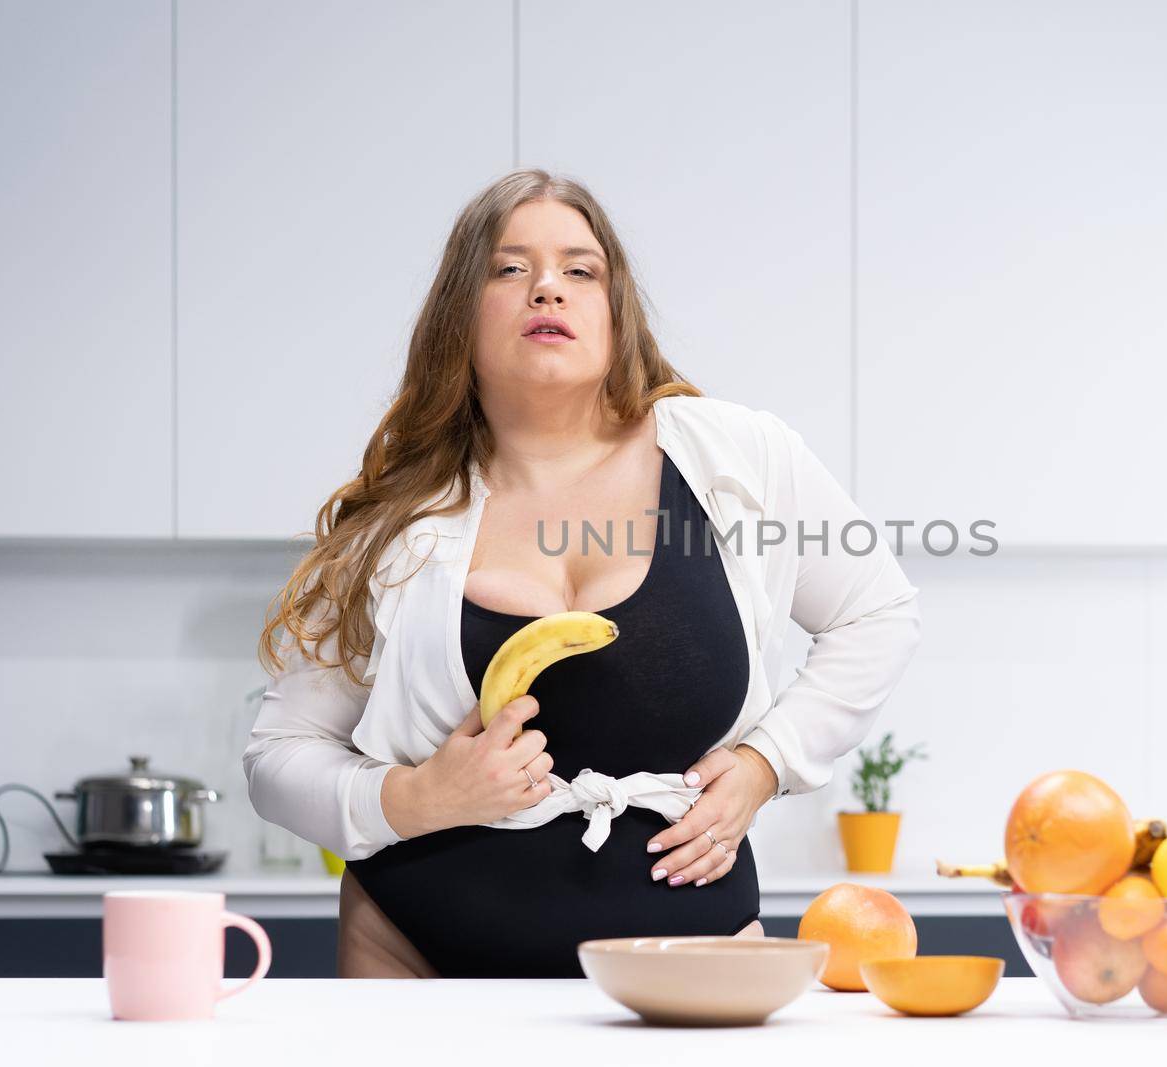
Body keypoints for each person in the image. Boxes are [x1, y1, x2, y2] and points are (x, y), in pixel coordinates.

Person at [243, 169, 921, 978]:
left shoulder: (740, 458)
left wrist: (765, 761)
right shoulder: (394, 519)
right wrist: (416, 798)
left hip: (695, 966)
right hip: (416, 964)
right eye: (509, 268)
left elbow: (878, 612)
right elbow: (278, 756)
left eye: (579, 269)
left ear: (614, 311)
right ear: (460, 315)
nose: (547, 291)